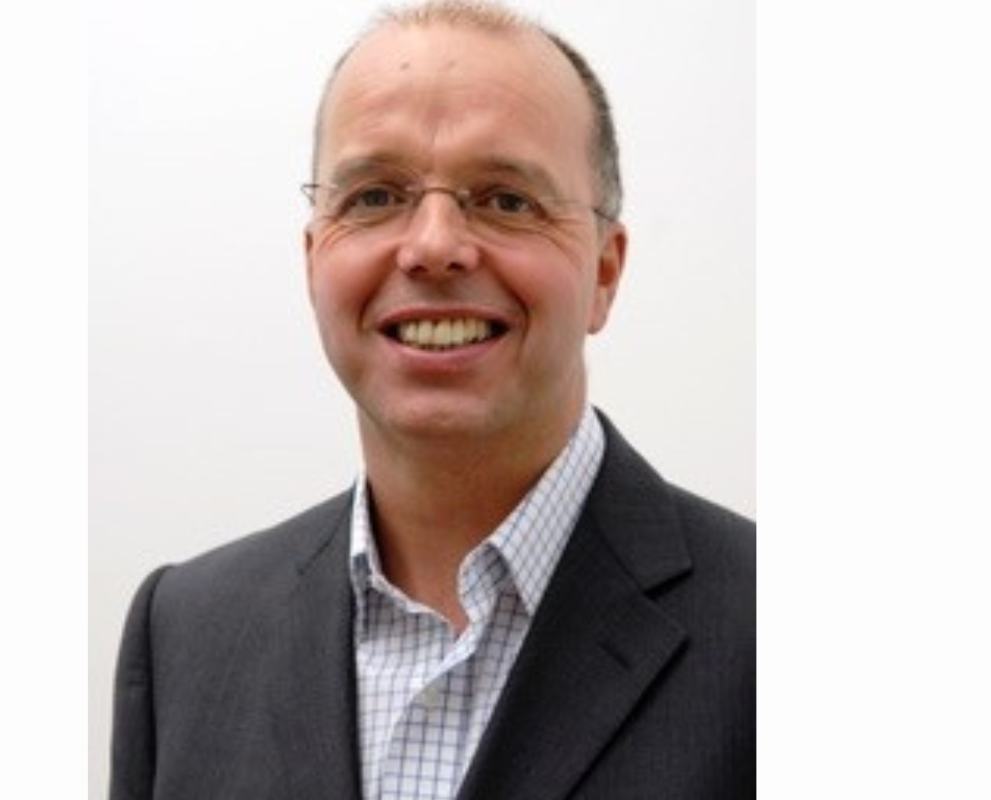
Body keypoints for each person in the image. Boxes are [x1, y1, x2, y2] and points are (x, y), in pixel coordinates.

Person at [110, 2, 754, 798]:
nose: (433, 247)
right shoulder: (186, 636)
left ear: (605, 273)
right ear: (315, 260)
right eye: (376, 197)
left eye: (506, 198)